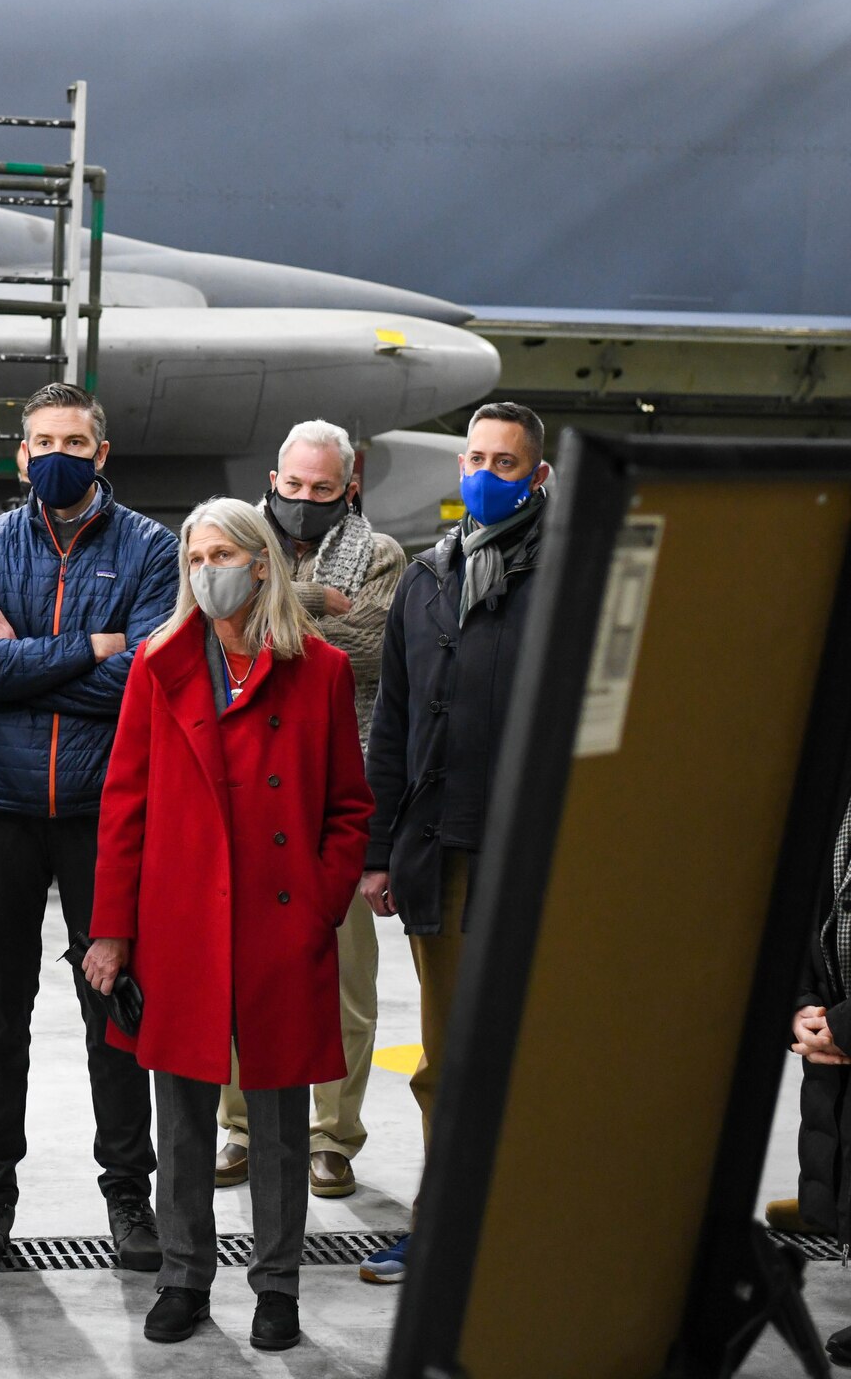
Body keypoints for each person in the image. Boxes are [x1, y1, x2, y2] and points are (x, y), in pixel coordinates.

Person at [83, 497, 371, 1353]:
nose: (205, 569)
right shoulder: (160, 664)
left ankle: (276, 1286)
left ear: (259, 562)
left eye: (221, 554)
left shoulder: (316, 668)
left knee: (283, 1122)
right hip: (183, 920)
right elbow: (124, 803)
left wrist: (320, 900)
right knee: (183, 1116)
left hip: (282, 919)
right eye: (194, 555)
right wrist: (111, 929)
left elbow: (350, 807)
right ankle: (184, 1277)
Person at [0, 381, 180, 1272]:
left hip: (101, 811)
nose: (57, 455)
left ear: (102, 453)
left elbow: (148, 679)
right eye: (42, 440)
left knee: (111, 1009)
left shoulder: (152, 549)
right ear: (19, 456)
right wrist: (92, 648)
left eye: (74, 440)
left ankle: (129, 1200)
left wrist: (26, 660)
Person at [357, 400, 551, 1286]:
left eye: (504, 463)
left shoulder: (570, 573)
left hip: (540, 861)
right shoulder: (429, 578)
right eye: (474, 457)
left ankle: (527, 1226)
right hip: (443, 853)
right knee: (446, 1060)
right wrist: (377, 847)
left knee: (536, 1056)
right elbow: (394, 721)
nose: (484, 474)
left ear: (538, 476)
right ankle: (446, 1229)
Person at [217, 421, 405, 1200]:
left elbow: (368, 647)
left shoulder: (384, 554)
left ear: (349, 487)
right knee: (238, 975)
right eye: (291, 486)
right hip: (247, 793)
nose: (302, 500)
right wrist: (314, 601)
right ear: (273, 477)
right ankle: (238, 1128)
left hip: (337, 797)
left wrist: (269, 602)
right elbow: (214, 622)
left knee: (344, 980)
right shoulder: (235, 535)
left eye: (321, 490)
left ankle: (332, 1136)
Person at [790, 799, 851, 1361]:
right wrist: (805, 1009)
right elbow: (810, 916)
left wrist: (843, 1026)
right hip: (833, 1035)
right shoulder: (836, 792)